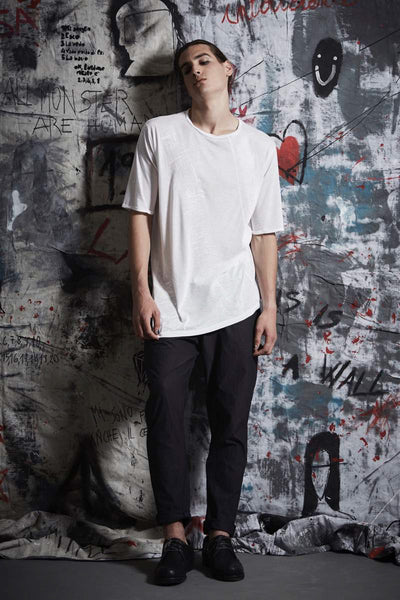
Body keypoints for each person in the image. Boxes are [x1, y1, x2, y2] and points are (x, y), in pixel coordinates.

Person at [122, 38, 284, 585]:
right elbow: (139, 215)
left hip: (237, 307)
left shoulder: (258, 148)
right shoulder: (160, 134)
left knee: (229, 424)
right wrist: (141, 293)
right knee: (166, 420)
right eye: (186, 67)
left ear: (227, 69)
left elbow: (264, 235)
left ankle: (219, 536)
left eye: (204, 61)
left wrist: (269, 307)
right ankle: (174, 538)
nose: (195, 71)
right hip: (170, 307)